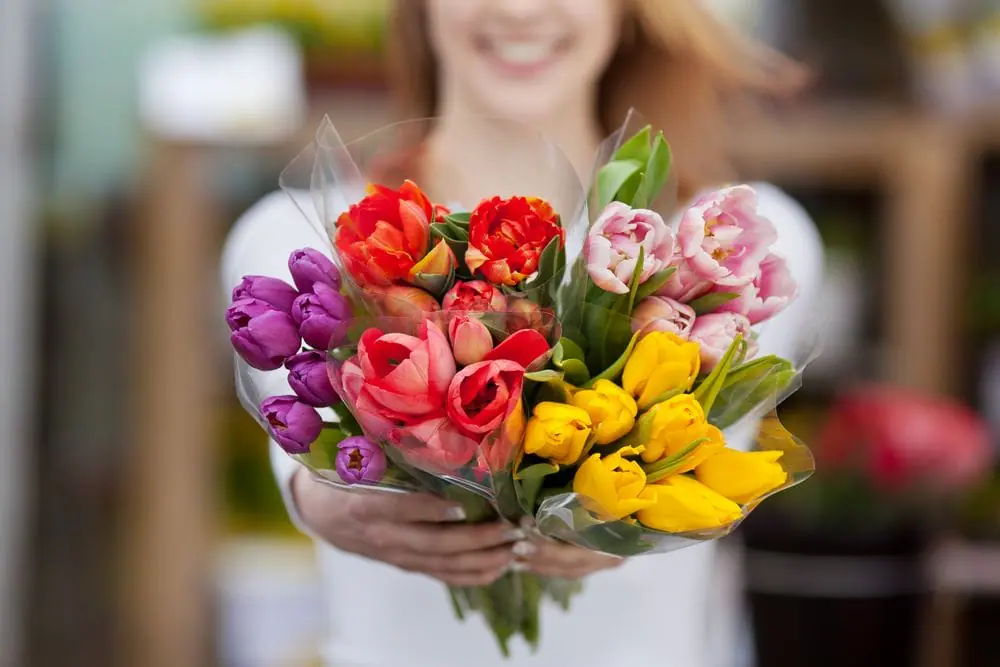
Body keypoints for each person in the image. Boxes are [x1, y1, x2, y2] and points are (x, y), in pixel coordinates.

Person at [221, 1, 824, 665]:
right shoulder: (299, 238)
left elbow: (704, 475)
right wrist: (316, 498)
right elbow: (301, 454)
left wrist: (613, 505)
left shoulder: (732, 250)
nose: (518, 9)